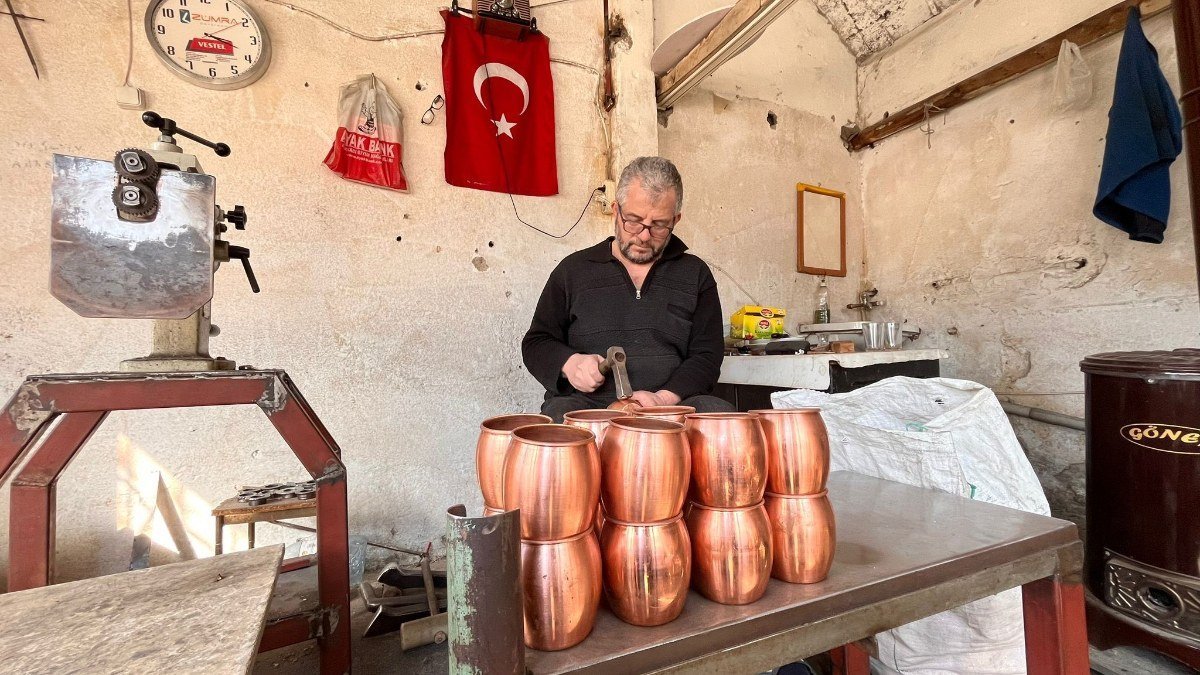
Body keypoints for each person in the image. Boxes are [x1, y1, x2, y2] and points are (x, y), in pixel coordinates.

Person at [522, 156, 735, 422]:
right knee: (559, 420)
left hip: (669, 410)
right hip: (588, 409)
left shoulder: (695, 274)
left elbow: (706, 356)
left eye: (659, 225)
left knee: (718, 413)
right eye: (633, 220)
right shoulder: (573, 271)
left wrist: (664, 398)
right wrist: (570, 363)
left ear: (676, 219)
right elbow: (536, 343)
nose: (644, 236)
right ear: (616, 210)